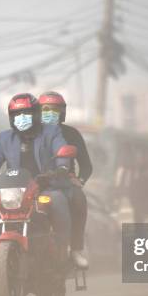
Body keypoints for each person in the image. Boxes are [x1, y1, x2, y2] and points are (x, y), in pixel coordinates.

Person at [0, 93, 72, 260]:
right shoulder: (5, 138)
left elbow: (62, 151)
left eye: (26, 113)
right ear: (11, 118)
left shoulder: (51, 131)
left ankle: (64, 249)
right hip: (15, 193)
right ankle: (0, 257)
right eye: (17, 114)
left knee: (59, 201)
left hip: (44, 188)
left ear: (36, 114)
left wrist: (62, 167)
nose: (22, 118)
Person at [38, 91, 91, 269]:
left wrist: (79, 180)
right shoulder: (31, 134)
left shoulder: (71, 134)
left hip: (63, 184)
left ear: (62, 112)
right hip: (34, 184)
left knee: (79, 200)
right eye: (45, 109)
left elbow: (86, 165)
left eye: (55, 109)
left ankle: (75, 249)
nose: (50, 113)